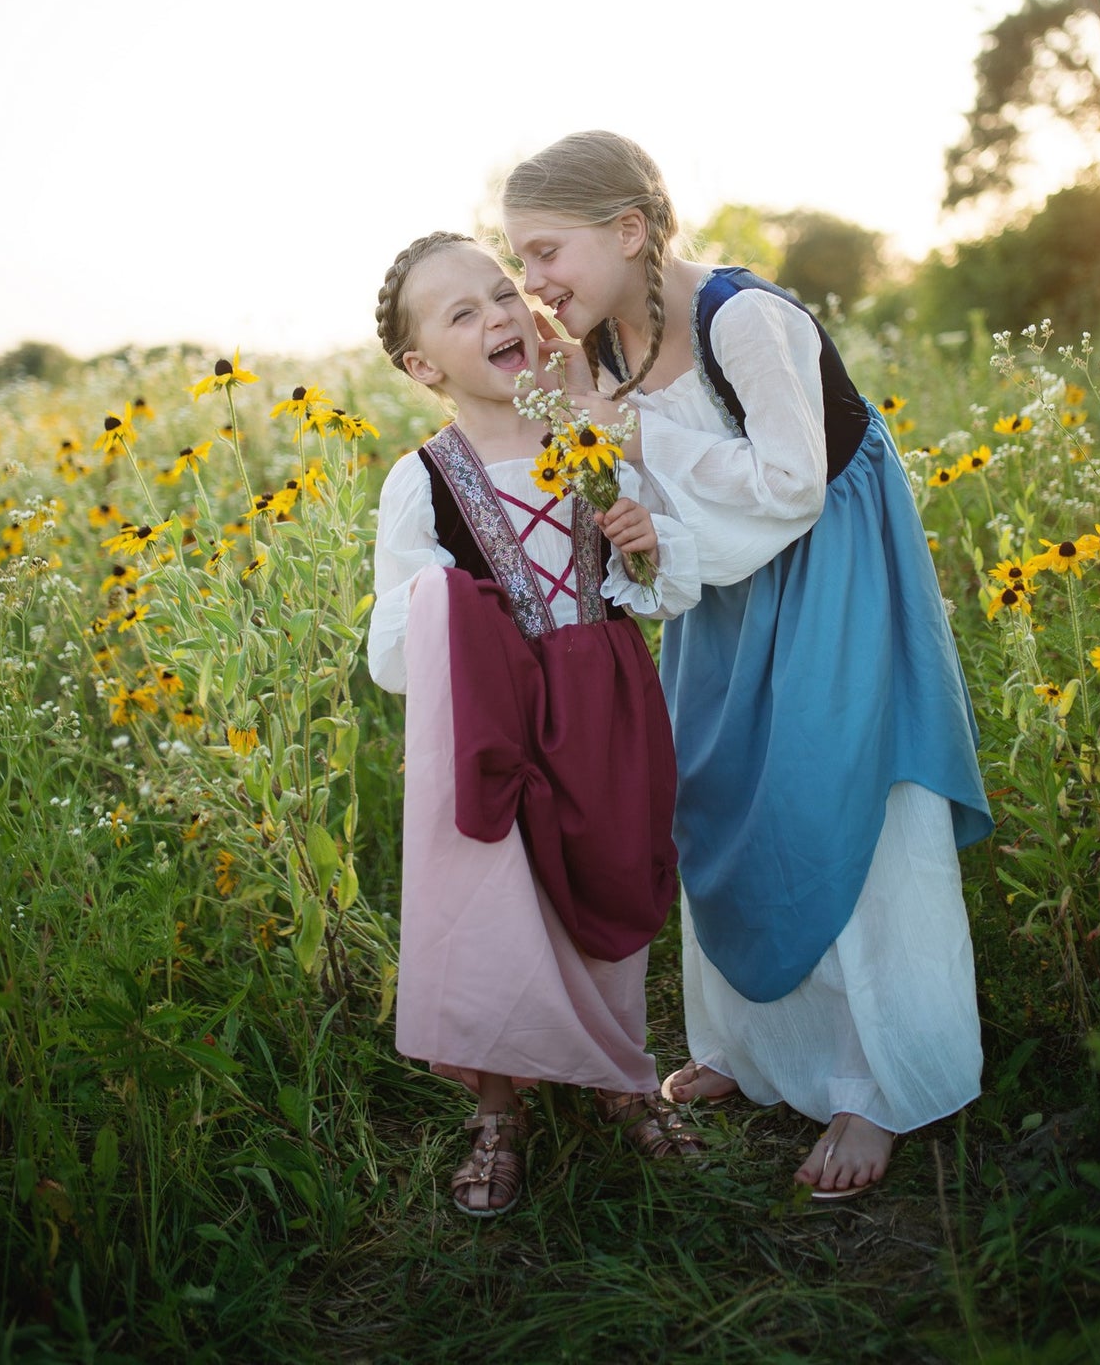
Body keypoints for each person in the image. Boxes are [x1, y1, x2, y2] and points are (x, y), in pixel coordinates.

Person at [501, 132, 993, 1200]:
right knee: (715, 798)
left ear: (627, 231)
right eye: (517, 266)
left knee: (835, 802)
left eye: (544, 254)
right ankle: (753, 1049)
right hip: (712, 589)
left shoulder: (744, 321)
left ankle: (875, 1080)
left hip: (828, 573)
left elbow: (790, 484)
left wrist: (631, 433)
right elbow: (618, 475)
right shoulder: (596, 350)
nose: (532, 285)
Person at [367, 231, 706, 1218]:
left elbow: (656, 584)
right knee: (503, 904)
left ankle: (621, 1075)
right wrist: (442, 600)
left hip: (604, 696)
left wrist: (646, 545)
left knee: (612, 877)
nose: (499, 316)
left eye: (502, 292)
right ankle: (500, 1107)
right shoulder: (422, 478)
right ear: (424, 366)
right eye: (462, 313)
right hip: (500, 718)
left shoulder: (588, 438)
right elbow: (394, 645)